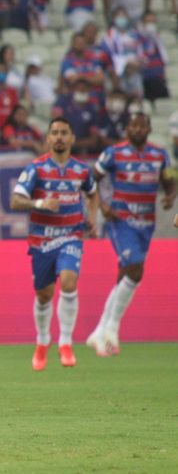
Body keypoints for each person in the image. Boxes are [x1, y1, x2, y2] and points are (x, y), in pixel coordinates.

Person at [11, 118, 99, 370]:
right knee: (43, 294)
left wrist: (92, 218)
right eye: (54, 133)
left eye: (64, 132)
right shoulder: (36, 169)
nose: (59, 137)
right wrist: (40, 203)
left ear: (71, 138)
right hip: (42, 240)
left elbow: (92, 194)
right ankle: (42, 341)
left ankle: (66, 342)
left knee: (69, 282)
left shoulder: (82, 170)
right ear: (48, 139)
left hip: (71, 235)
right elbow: (16, 201)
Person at [87, 114, 176, 356]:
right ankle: (113, 329)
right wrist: (104, 208)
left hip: (146, 223)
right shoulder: (113, 153)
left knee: (126, 274)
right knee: (135, 269)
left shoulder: (160, 155)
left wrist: (170, 195)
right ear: (127, 128)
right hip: (120, 220)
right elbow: (90, 180)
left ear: (148, 128)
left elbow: (169, 180)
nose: (137, 129)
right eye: (133, 125)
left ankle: (99, 331)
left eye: (141, 125)